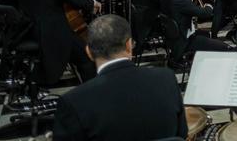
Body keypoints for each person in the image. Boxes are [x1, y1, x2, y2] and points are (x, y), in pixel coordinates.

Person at [52, 15, 187, 141]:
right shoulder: (166, 78)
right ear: (129, 45)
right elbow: (182, 133)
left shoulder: (73, 101)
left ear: (89, 52)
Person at [160, 0, 232, 63]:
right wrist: (209, 6)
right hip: (184, 40)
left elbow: (183, 8)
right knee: (226, 47)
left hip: (173, 37)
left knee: (206, 34)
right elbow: (204, 13)